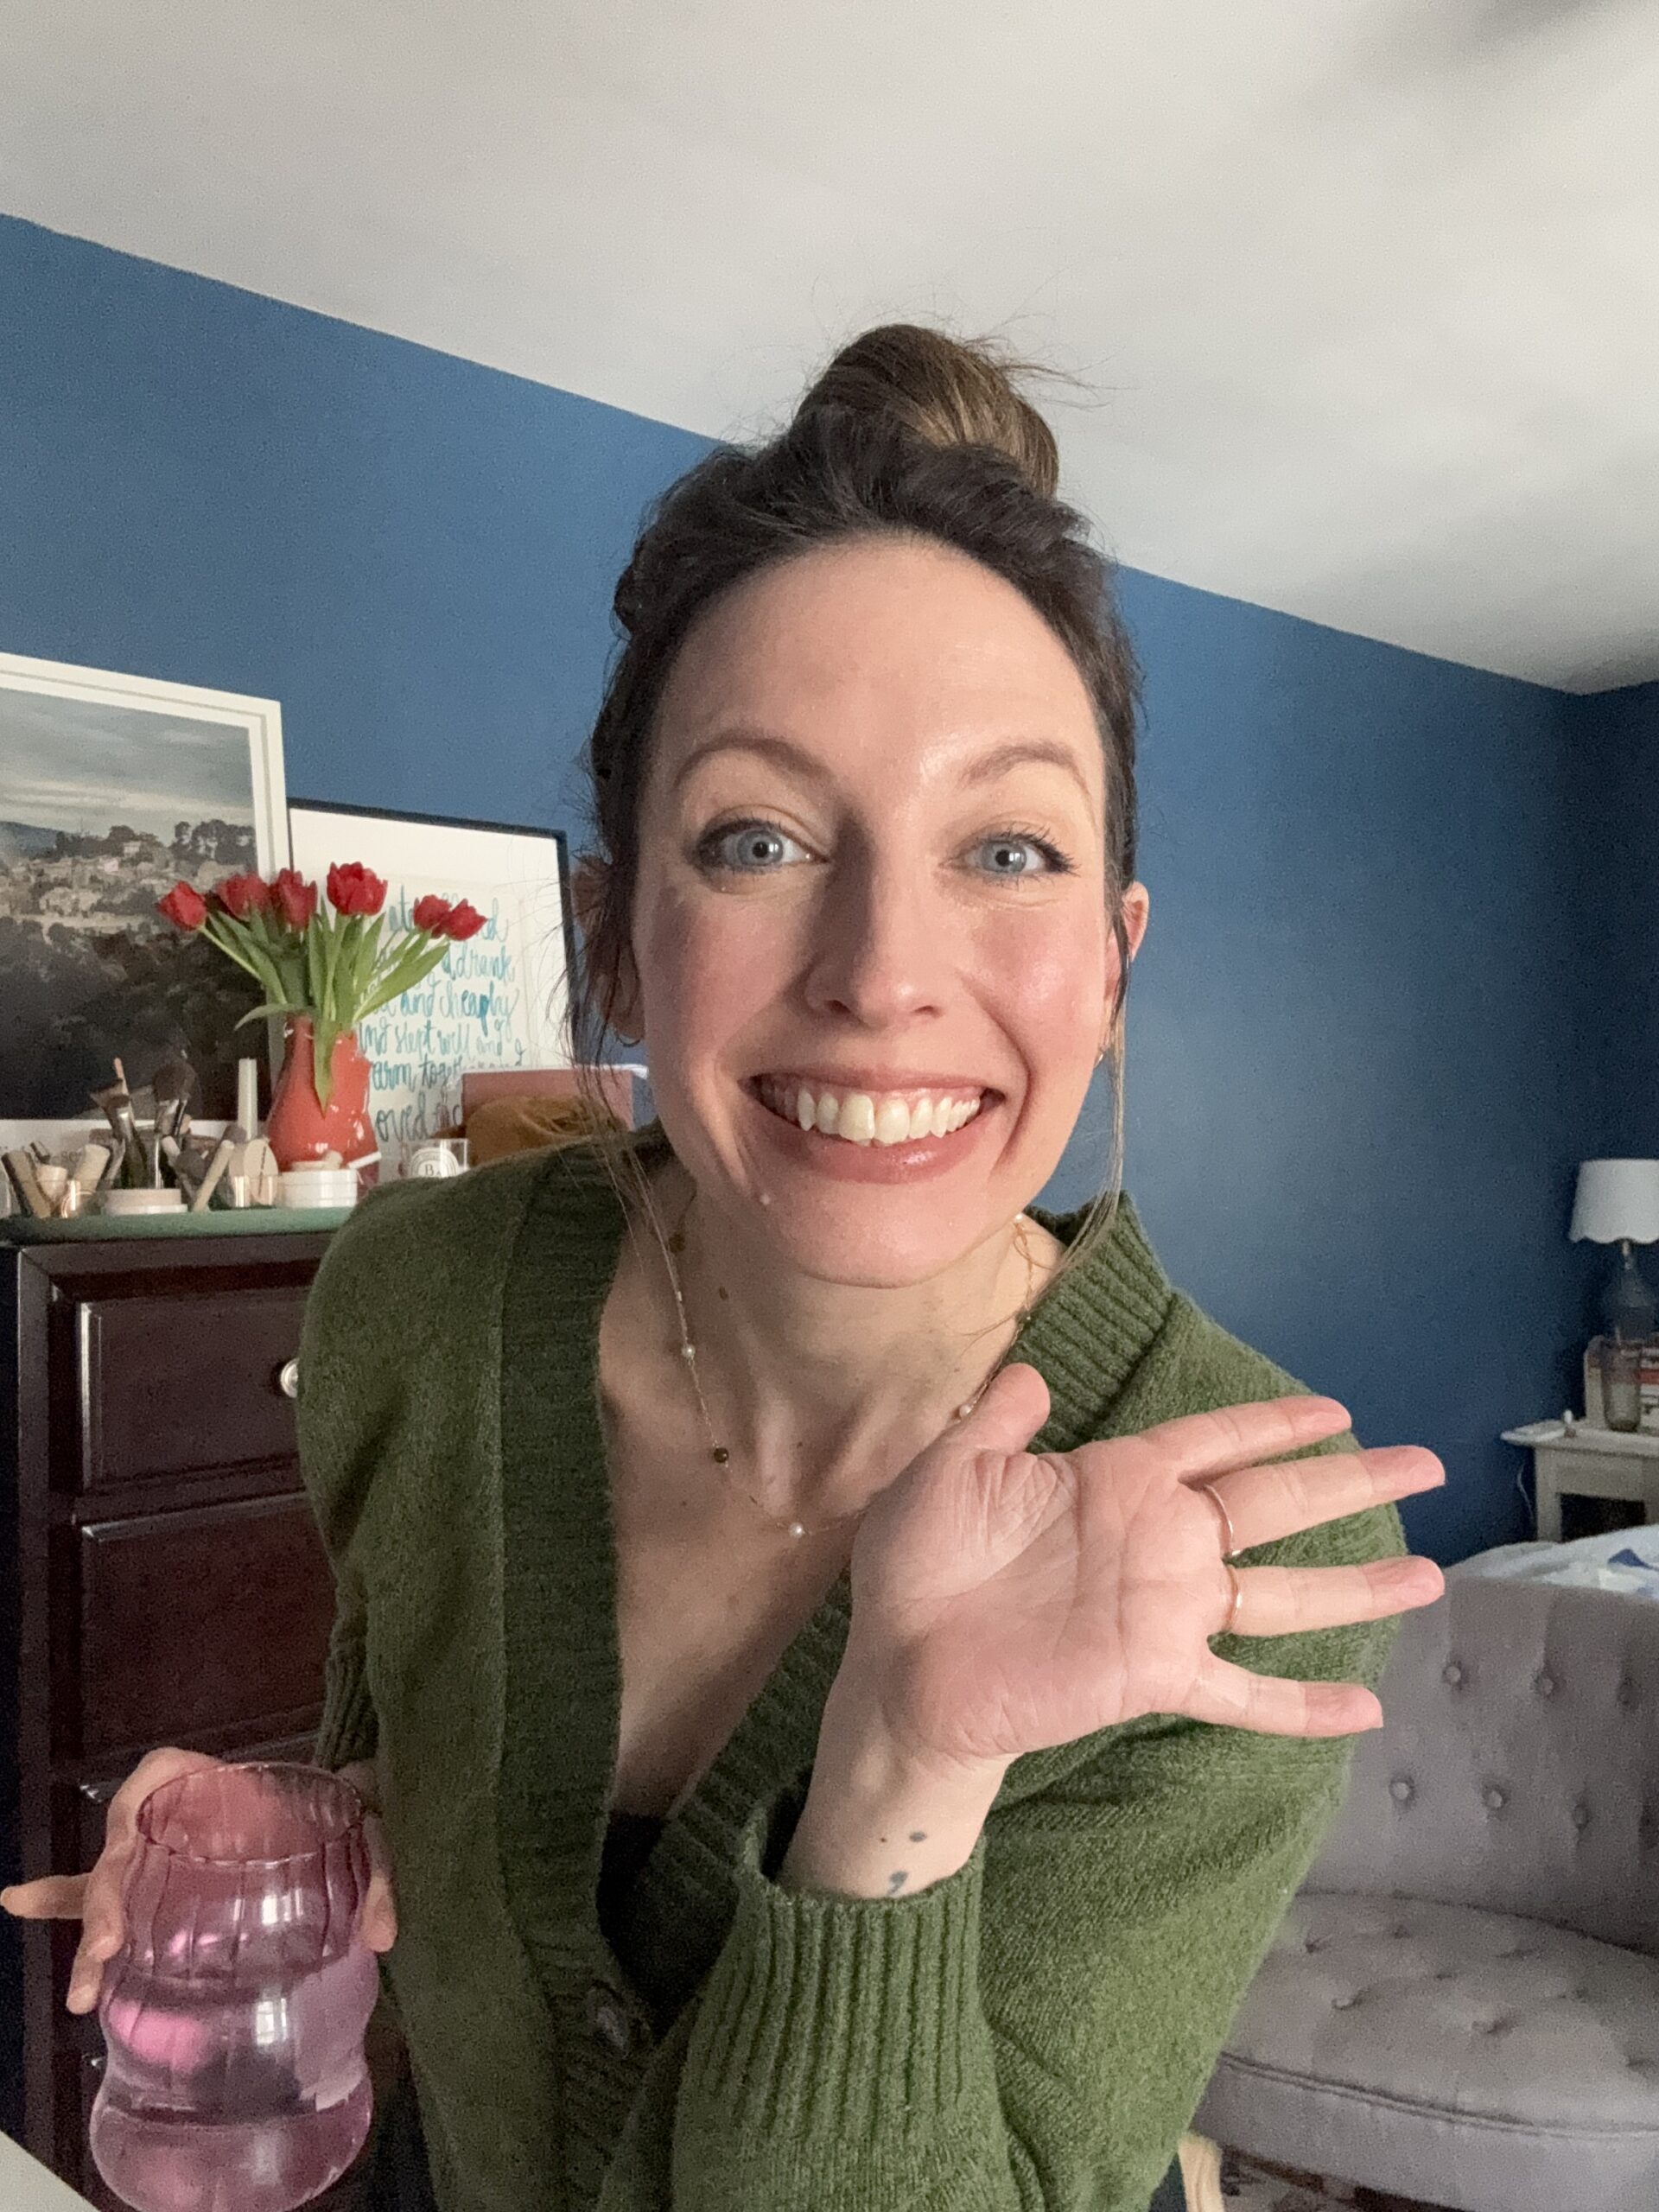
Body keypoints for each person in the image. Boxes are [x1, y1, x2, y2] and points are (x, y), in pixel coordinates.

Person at [3, 324, 1446, 2212]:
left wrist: (900, 1777)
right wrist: (315, 1831)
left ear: (1111, 962)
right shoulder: (418, 1306)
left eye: (1005, 847)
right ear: (615, 940)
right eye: (757, 836)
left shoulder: (1247, 1533)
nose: (879, 969)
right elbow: (415, 1790)